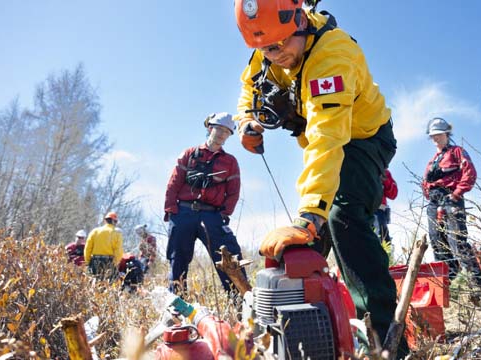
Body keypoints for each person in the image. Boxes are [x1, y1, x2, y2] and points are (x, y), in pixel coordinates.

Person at [234, 1, 407, 354]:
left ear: (300, 21)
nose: (274, 54)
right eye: (265, 48)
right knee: (305, 248)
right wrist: (245, 123)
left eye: (280, 44)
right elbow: (249, 89)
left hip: (363, 137)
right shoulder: (268, 51)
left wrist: (311, 213)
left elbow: (328, 139)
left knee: (341, 214)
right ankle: (312, 326)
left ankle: (382, 338)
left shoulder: (333, 55)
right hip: (325, 143)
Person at [164, 112, 246, 295]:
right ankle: (177, 309)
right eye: (219, 129)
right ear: (210, 128)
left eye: (227, 132)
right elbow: (174, 183)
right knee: (178, 262)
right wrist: (172, 211)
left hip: (212, 215)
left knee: (230, 259)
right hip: (183, 213)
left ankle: (242, 307)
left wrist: (224, 215)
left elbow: (233, 192)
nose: (222, 134)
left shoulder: (230, 162)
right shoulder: (189, 154)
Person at [421, 118, 481, 289]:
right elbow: (425, 182)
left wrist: (456, 195)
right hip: (434, 204)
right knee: (438, 244)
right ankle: (450, 288)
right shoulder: (432, 160)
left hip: (451, 199)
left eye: (439, 135)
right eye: (433, 135)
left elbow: (470, 173)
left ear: (447, 134)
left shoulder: (457, 152)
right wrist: (429, 194)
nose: (436, 138)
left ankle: (478, 287)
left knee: (457, 242)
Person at [84, 212, 124, 282]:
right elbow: (118, 251)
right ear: (114, 222)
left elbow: (87, 248)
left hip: (95, 261)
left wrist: (88, 262)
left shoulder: (95, 231)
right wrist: (115, 263)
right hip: (109, 262)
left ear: (105, 221)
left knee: (93, 285)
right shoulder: (117, 233)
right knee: (109, 285)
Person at [374, 169, 398, 244]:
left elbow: (393, 194)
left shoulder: (384, 171)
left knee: (384, 242)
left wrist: (385, 181)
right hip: (361, 209)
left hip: (379, 212)